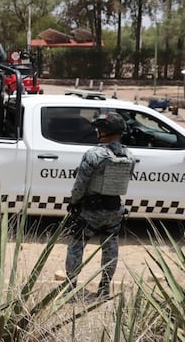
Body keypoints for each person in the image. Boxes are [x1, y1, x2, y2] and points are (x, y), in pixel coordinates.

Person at [64, 112, 135, 300]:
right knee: (110, 246)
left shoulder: (93, 154)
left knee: (76, 246)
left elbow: (80, 185)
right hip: (114, 209)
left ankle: (70, 287)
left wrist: (74, 202)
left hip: (91, 210)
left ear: (103, 132)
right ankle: (104, 288)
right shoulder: (129, 155)